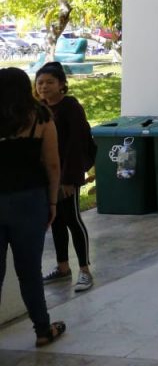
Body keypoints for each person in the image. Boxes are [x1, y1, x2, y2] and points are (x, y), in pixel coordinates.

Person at [0, 67, 66, 347]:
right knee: (29, 272)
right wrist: (52, 201)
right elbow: (52, 164)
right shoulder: (41, 116)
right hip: (30, 200)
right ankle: (42, 329)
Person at [34, 62, 94, 292]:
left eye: (50, 82)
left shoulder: (70, 107)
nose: (44, 87)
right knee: (56, 220)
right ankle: (62, 268)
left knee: (73, 220)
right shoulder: (39, 108)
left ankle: (85, 271)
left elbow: (77, 144)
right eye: (40, 82)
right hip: (47, 176)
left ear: (61, 84)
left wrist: (69, 179)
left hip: (67, 174)